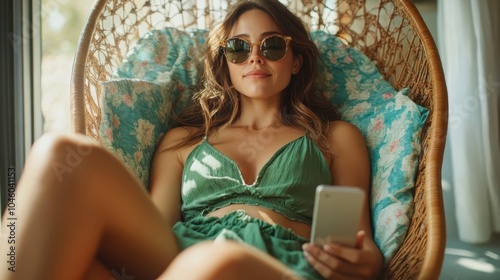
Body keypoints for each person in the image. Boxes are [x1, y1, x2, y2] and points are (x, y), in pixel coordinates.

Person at [0, 0, 383, 279]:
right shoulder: (181, 141)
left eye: (272, 46)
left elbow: (359, 239)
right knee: (60, 154)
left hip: (279, 263)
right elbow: (152, 230)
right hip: (180, 256)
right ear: (224, 62)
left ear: (295, 59)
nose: (255, 58)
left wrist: (368, 262)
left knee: (219, 262)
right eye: (238, 48)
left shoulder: (334, 137)